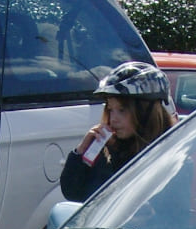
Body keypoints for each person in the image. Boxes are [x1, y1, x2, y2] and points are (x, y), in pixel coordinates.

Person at [60, 61, 177, 202]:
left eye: (122, 110)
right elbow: (73, 193)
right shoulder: (111, 149)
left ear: (146, 112)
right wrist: (81, 152)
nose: (113, 119)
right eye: (110, 109)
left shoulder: (170, 156)